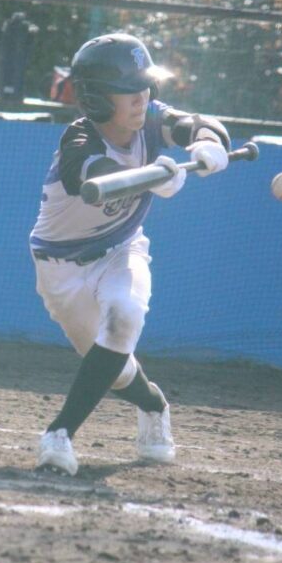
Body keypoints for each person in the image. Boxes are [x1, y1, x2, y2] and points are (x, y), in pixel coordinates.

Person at [29, 32, 231, 476]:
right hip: (61, 269)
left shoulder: (151, 119)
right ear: (97, 98)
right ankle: (154, 404)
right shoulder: (78, 140)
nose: (143, 97)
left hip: (122, 249)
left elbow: (193, 123)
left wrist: (209, 143)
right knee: (116, 371)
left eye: (145, 86)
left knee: (124, 317)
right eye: (128, 90)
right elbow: (100, 179)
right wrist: (152, 176)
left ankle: (59, 434)